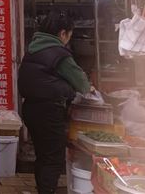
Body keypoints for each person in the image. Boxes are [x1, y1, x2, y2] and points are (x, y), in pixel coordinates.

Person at [18, 11, 92, 194]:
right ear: (62, 33)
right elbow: (82, 84)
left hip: (31, 109)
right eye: (69, 35)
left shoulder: (33, 49)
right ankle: (47, 190)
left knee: (43, 154)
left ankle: (43, 188)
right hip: (49, 111)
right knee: (53, 158)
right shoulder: (59, 53)